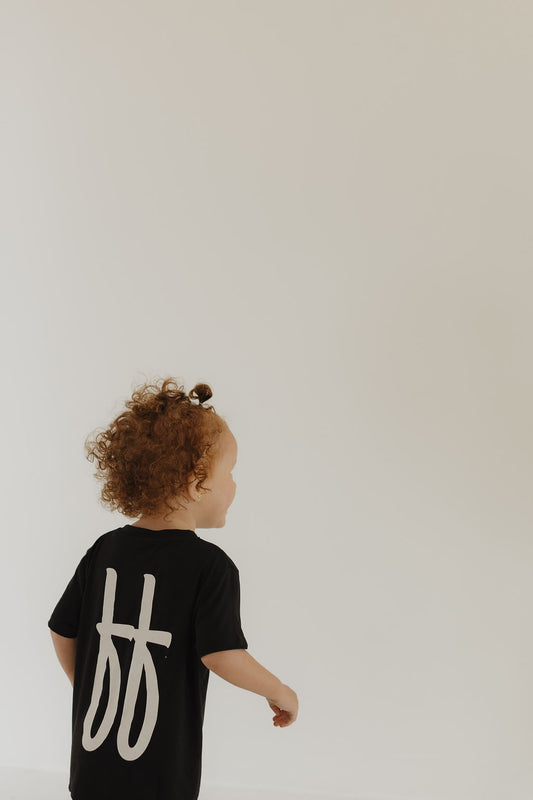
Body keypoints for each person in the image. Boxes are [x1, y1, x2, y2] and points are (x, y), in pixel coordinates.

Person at [48, 377, 298, 800]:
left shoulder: (104, 549)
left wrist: (89, 688)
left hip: (92, 766)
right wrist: (280, 691)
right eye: (230, 473)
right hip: (160, 776)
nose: (235, 486)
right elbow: (222, 655)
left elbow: (62, 628)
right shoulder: (210, 566)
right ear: (196, 482)